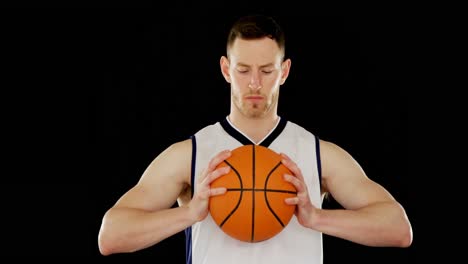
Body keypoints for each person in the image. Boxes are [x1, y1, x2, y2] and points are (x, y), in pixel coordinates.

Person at [97, 14, 413, 263]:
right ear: (225, 69)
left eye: (266, 70)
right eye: (243, 69)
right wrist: (190, 213)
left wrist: (316, 217)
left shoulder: (317, 153)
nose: (254, 83)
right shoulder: (191, 153)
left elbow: (398, 229)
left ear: (284, 71)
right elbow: (110, 236)